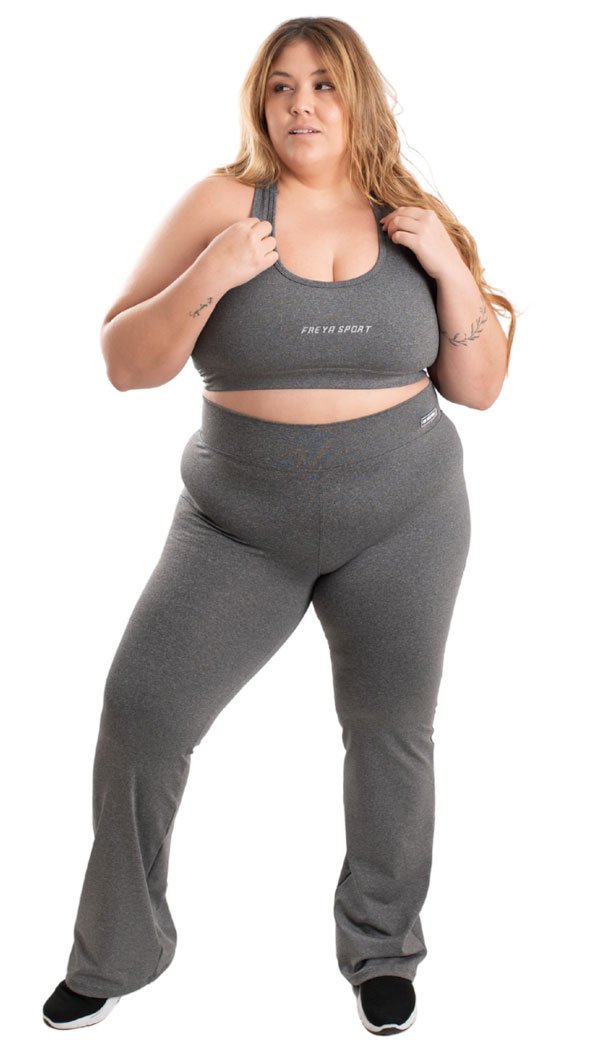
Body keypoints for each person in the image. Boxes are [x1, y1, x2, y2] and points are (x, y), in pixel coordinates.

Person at [42, 15, 515, 1036]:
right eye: (282, 85)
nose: (302, 104)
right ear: (260, 101)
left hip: (407, 516)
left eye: (325, 83)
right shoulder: (222, 203)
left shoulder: (409, 213)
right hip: (238, 524)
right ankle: (118, 950)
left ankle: (382, 950)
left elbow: (481, 387)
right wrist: (209, 274)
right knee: (143, 712)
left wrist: (448, 267)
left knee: (390, 731)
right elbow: (124, 364)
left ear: (359, 98)